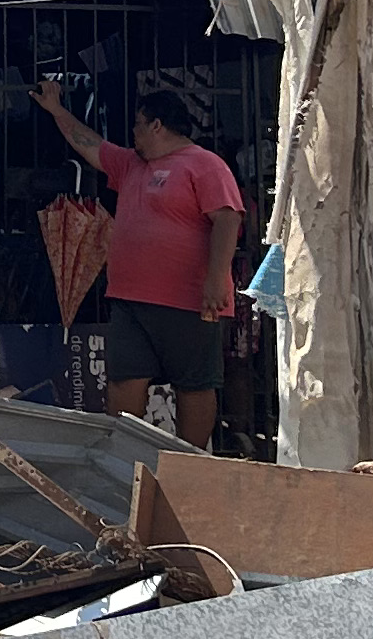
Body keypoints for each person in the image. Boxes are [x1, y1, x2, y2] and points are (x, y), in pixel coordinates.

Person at [30, 75, 245, 449]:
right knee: (124, 379)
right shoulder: (131, 165)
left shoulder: (204, 164)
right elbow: (90, 145)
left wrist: (215, 280)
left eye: (137, 125)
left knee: (194, 385)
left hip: (188, 300)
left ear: (156, 125)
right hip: (130, 299)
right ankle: (124, 457)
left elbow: (228, 218)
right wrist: (55, 109)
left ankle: (190, 462)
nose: (133, 133)